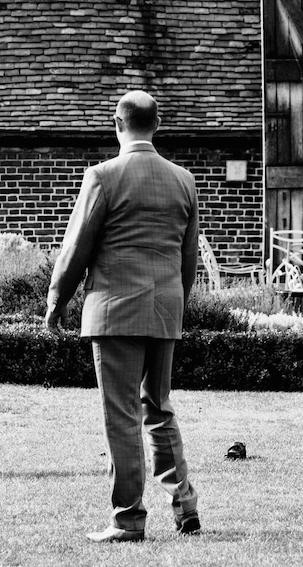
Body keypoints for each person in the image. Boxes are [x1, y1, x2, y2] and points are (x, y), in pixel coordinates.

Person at [46, 90, 202, 542]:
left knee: (121, 417)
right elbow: (187, 259)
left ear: (117, 123)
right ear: (158, 125)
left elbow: (77, 248)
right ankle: (185, 503)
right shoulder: (184, 180)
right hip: (165, 307)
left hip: (114, 311)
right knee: (159, 406)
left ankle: (128, 518)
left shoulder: (103, 176)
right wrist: (175, 304)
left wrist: (56, 302)